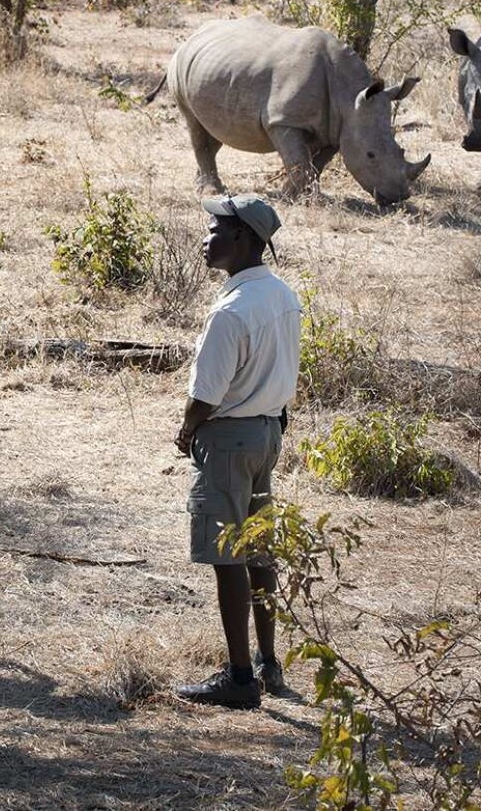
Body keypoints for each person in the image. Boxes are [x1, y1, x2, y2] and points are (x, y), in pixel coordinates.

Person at [172, 194, 301, 710]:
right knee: (259, 550)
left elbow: (206, 394)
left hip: (228, 439)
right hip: (268, 433)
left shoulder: (231, 311)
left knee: (228, 557)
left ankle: (239, 677)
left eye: (216, 229)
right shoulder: (282, 295)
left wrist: (186, 431)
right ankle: (270, 664)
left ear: (244, 238)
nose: (207, 238)